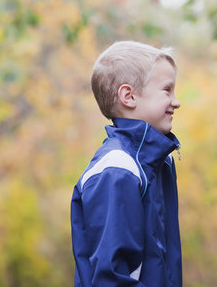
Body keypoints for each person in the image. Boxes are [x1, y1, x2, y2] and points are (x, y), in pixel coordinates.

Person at [71, 41, 183, 286]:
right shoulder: (117, 170)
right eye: (167, 90)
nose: (176, 101)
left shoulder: (160, 162)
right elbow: (111, 277)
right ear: (129, 96)